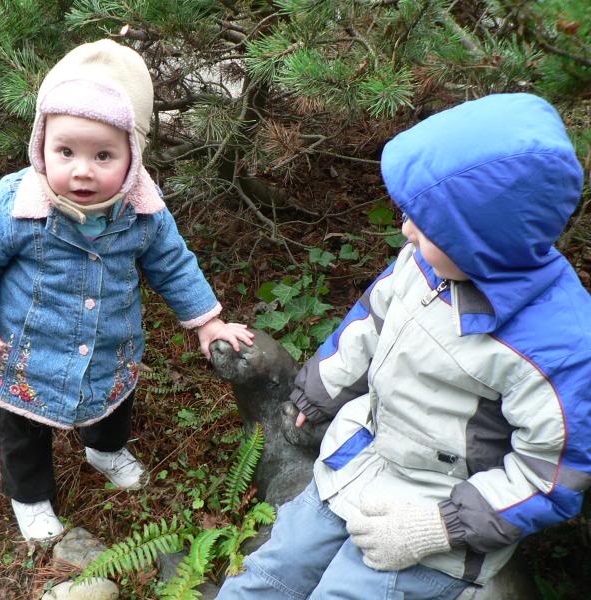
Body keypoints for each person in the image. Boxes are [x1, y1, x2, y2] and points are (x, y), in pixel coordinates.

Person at [217, 92, 591, 599]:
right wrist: (317, 391)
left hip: (431, 521)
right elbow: (370, 320)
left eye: (426, 222)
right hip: (358, 462)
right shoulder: (425, 263)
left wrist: (439, 527)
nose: (406, 229)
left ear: (482, 239)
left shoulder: (556, 348)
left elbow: (551, 474)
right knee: (269, 575)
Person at [0, 39, 253, 543]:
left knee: (113, 402)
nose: (82, 169)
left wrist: (207, 321)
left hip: (110, 342)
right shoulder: (17, 202)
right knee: (23, 426)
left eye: (104, 154)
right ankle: (30, 495)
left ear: (133, 157)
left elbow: (173, 265)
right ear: (40, 144)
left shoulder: (144, 211)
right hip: (26, 348)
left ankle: (103, 449)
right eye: (65, 151)